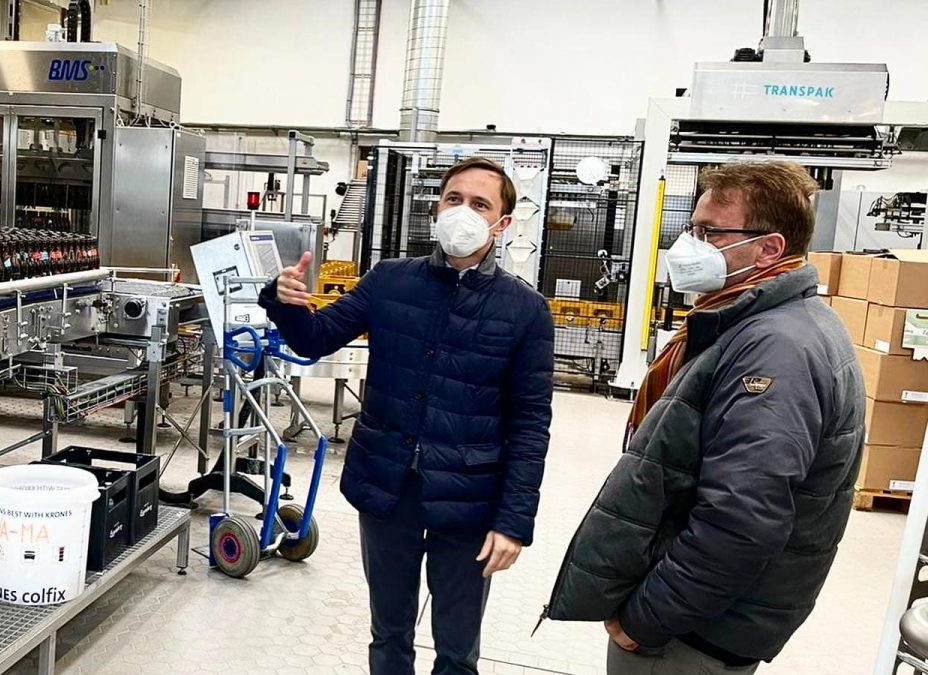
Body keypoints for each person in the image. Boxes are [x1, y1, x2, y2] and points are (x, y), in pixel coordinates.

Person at [542, 161, 865, 674]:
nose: (687, 245)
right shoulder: (761, 324)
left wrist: (647, 619)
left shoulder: (776, 349)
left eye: (707, 232)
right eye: (691, 228)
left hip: (693, 634)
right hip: (704, 619)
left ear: (769, 249)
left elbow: (742, 520)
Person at [258, 156, 555, 675]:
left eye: (480, 204)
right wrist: (283, 302)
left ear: (503, 224)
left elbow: (530, 425)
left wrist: (513, 522)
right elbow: (315, 337)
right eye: (453, 199)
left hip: (469, 497)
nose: (463, 211)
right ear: (436, 208)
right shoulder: (391, 280)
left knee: (457, 649)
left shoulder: (524, 310)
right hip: (387, 485)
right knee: (388, 633)